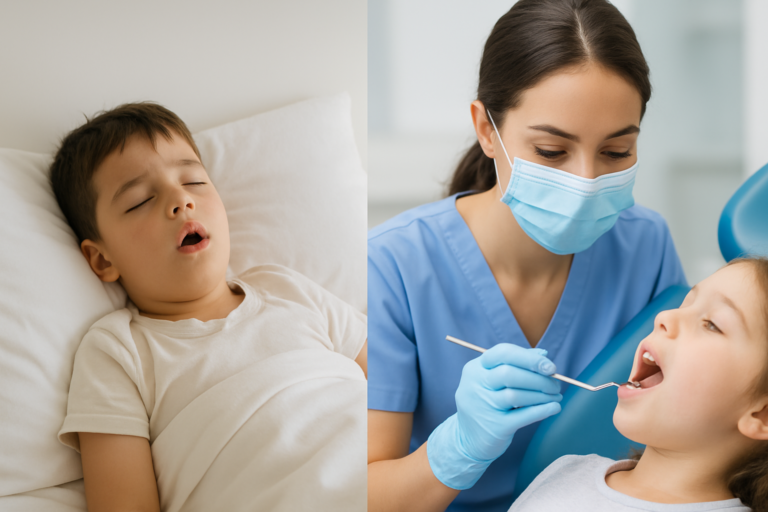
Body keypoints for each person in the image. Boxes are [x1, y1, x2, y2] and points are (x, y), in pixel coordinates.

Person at [367, 1, 687, 511]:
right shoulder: (393, 267)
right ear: (487, 129)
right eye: (551, 152)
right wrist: (457, 450)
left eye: (615, 152)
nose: (585, 182)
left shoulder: (645, 245)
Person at [50, 103, 367, 512]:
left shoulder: (287, 288)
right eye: (140, 201)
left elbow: (396, 390)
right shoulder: (118, 350)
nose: (181, 200)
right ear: (102, 260)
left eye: (195, 181)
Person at [510, 257, 768, 512]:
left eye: (712, 324)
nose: (664, 316)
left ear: (762, 414)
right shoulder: (566, 472)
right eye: (684, 303)